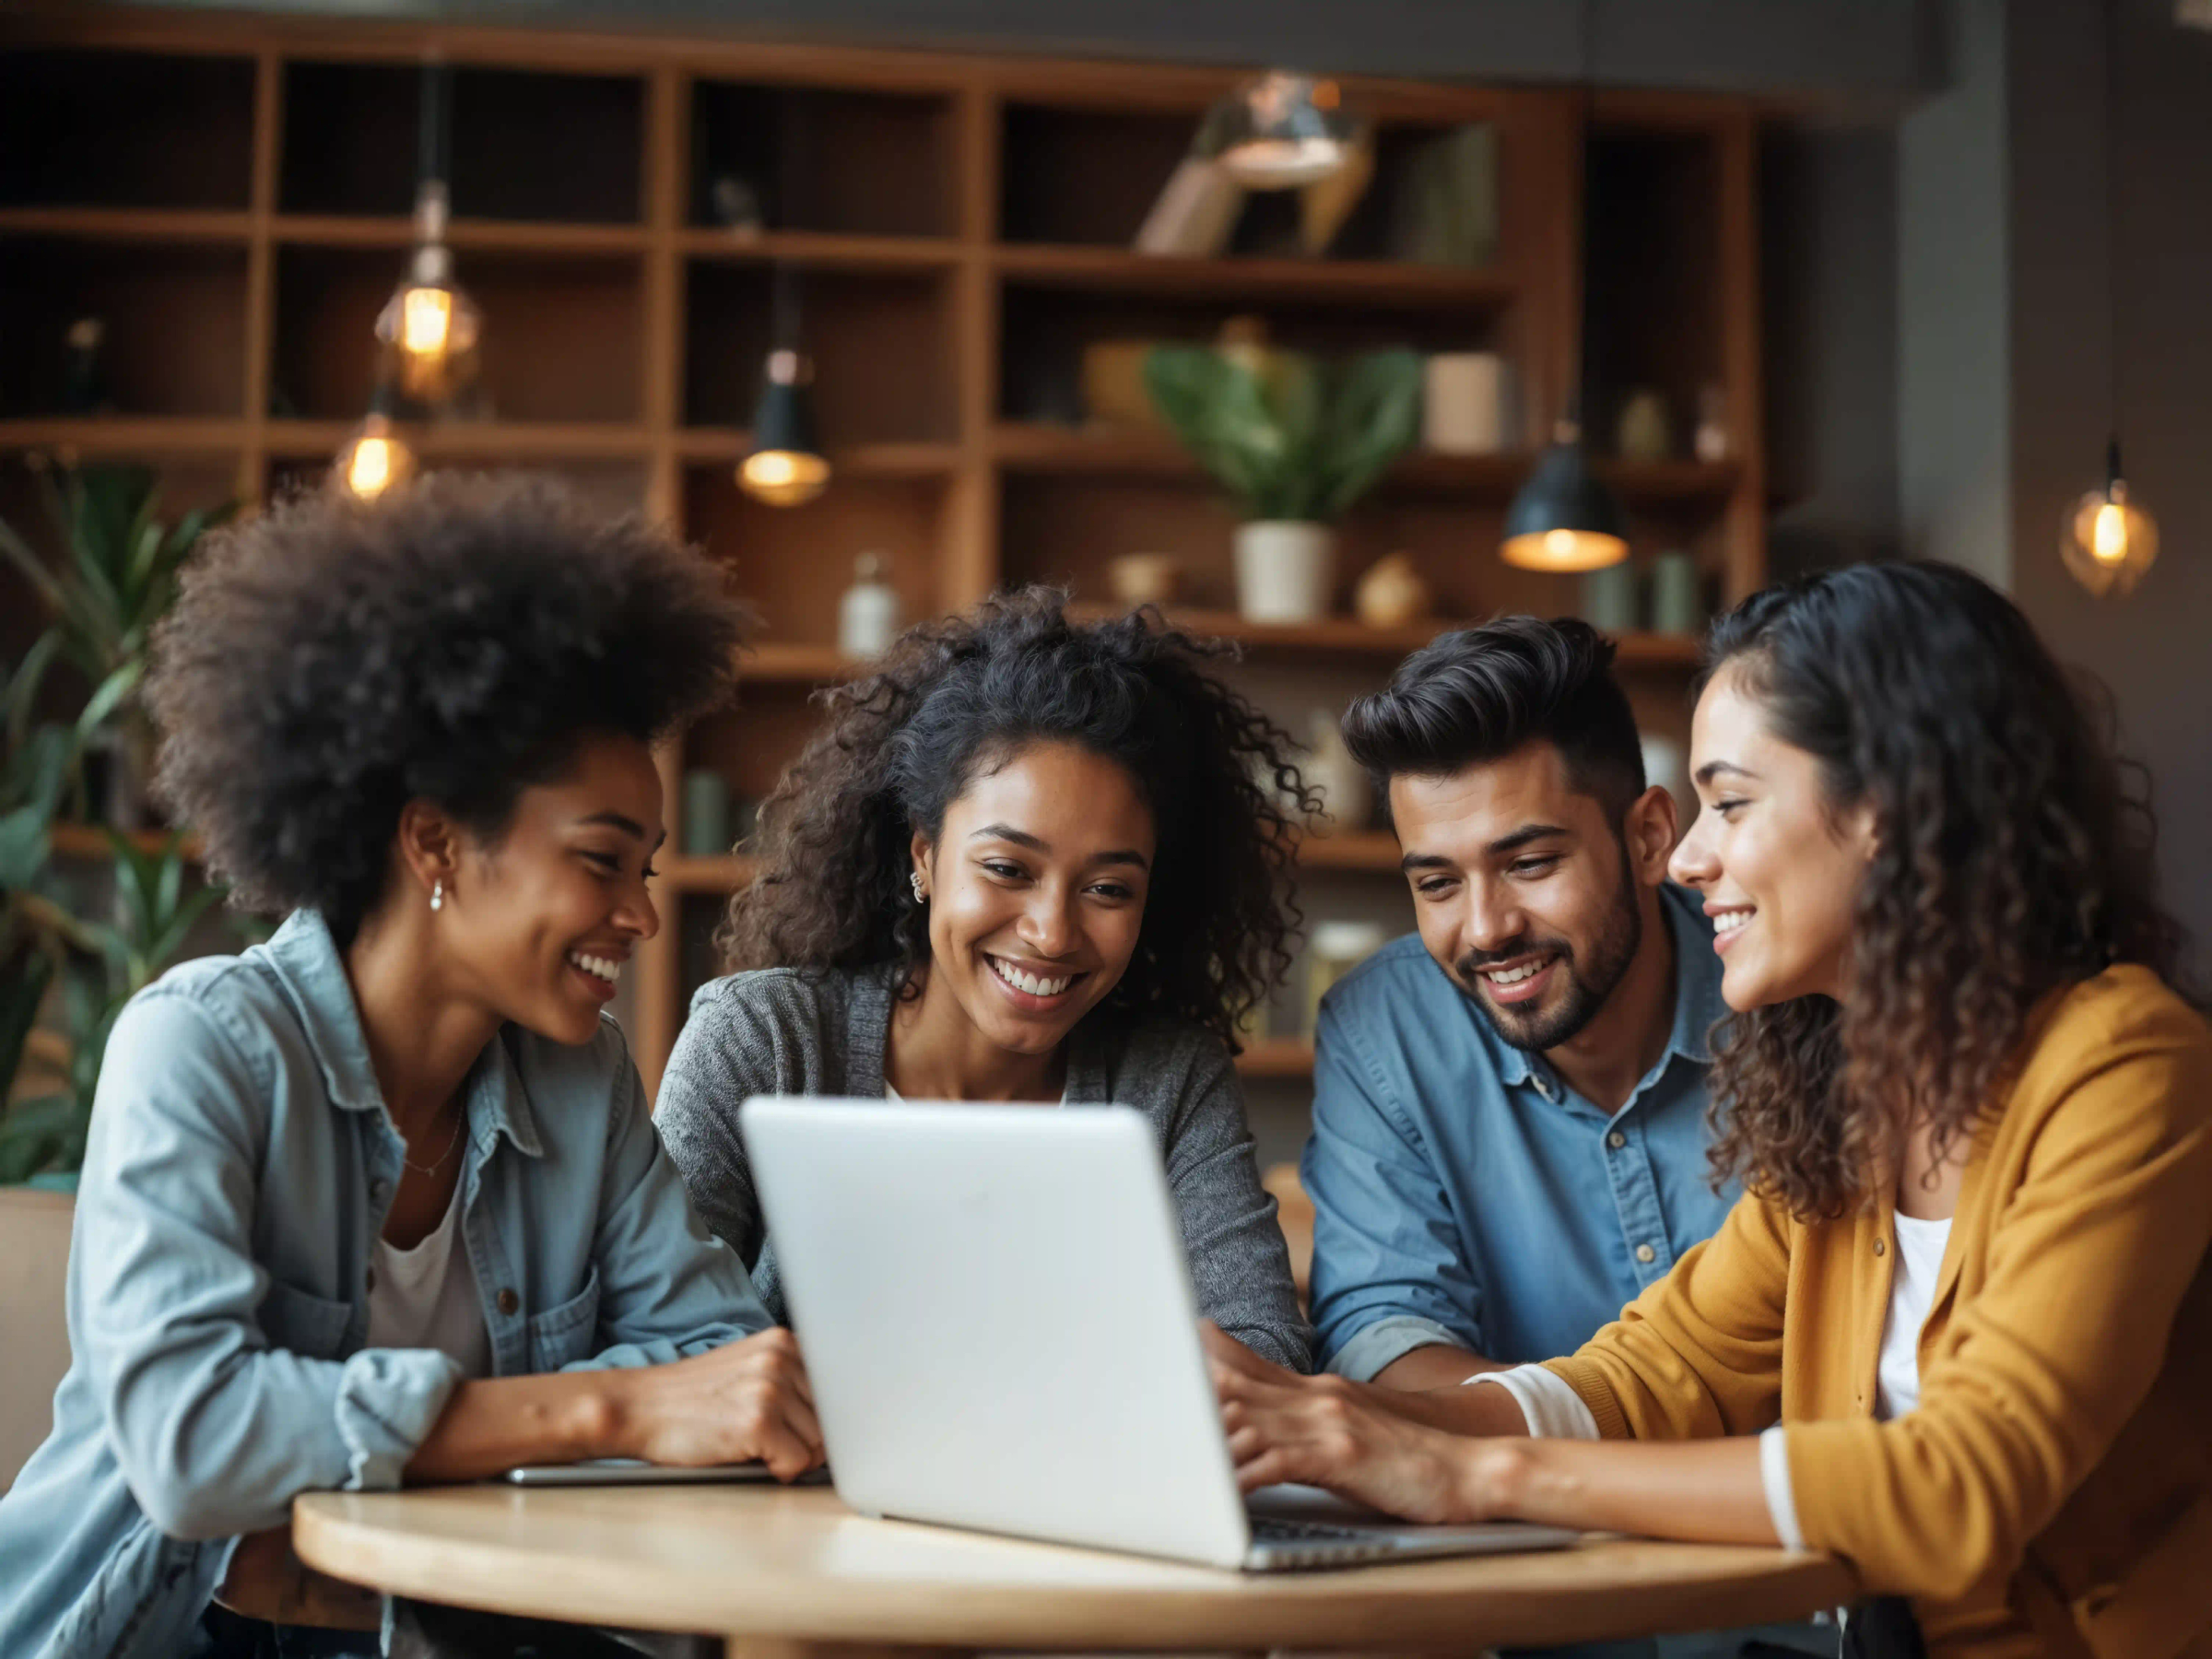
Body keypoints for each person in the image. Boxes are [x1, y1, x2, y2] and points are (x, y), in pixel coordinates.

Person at [1206, 562, 2212, 1659]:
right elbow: (1654, 1373)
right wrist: (1335, 1423)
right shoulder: (1850, 1089)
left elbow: (1961, 1483)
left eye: (1730, 802)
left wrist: (1473, 1471)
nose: (1689, 858)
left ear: (1888, 806)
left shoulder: (2126, 1063)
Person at [0, 478, 822, 1659]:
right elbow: (192, 1442)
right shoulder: (203, 1048)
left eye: (645, 869)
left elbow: (717, 1369)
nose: (638, 916)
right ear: (434, 838)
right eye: (602, 861)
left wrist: (645, 1401)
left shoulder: (581, 1084)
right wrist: (607, 1405)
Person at [655, 590, 1310, 1371]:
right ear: (923, 855)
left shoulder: (1167, 1079)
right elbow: (657, 1342)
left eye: (1108, 888)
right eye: (1007, 869)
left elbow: (1269, 1360)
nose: (1052, 932)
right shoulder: (766, 1041)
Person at [1305, 618, 1734, 1387]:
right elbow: (1387, 1334)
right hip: (1521, 1511)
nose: (1486, 929)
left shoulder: (1788, 985)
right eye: (1437, 883)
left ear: (1649, 839)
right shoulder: (1383, 1030)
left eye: (1531, 863)